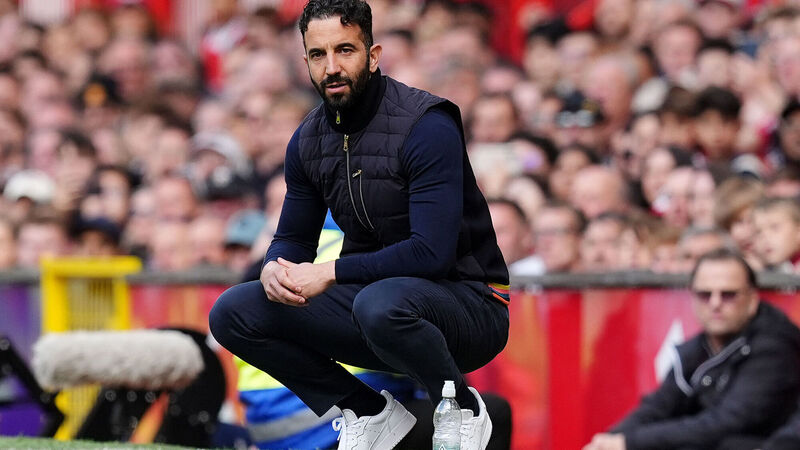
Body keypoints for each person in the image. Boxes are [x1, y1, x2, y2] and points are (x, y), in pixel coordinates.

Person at [208, 1, 509, 449]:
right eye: (318, 54)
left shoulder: (426, 125)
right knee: (233, 311)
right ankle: (366, 412)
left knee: (379, 304)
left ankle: (461, 406)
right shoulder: (307, 140)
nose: (331, 67)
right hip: (375, 308)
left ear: (373, 55)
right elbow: (292, 238)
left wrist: (328, 272)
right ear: (306, 61)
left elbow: (432, 253)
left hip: (471, 305)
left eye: (344, 50)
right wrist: (275, 267)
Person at [584, 248, 800, 450]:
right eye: (705, 294)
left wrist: (630, 442)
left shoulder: (775, 347)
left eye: (728, 294)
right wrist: (610, 439)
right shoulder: (699, 348)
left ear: (752, 300)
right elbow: (659, 406)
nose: (715, 303)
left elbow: (728, 422)